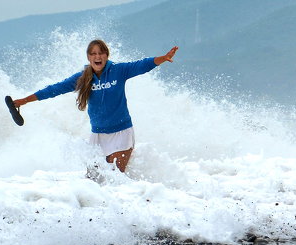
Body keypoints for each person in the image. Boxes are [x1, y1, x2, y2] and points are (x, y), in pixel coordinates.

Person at [11, 39, 178, 172]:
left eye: (101, 53)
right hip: (97, 135)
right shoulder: (83, 78)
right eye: (93, 54)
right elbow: (55, 89)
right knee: (94, 180)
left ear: (106, 55)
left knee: (115, 179)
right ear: (88, 58)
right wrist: (24, 100)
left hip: (121, 132)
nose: (97, 57)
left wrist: (162, 59)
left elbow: (142, 64)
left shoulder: (119, 71)